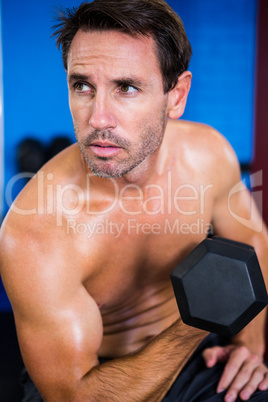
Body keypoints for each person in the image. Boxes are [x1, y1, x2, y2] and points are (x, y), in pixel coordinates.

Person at [0, 0, 268, 401]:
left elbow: (254, 242)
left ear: (175, 95)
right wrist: (197, 322)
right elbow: (75, 394)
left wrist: (250, 344)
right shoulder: (35, 230)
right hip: (97, 378)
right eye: (83, 86)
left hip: (200, 355)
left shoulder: (209, 153)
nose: (98, 119)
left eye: (126, 87)